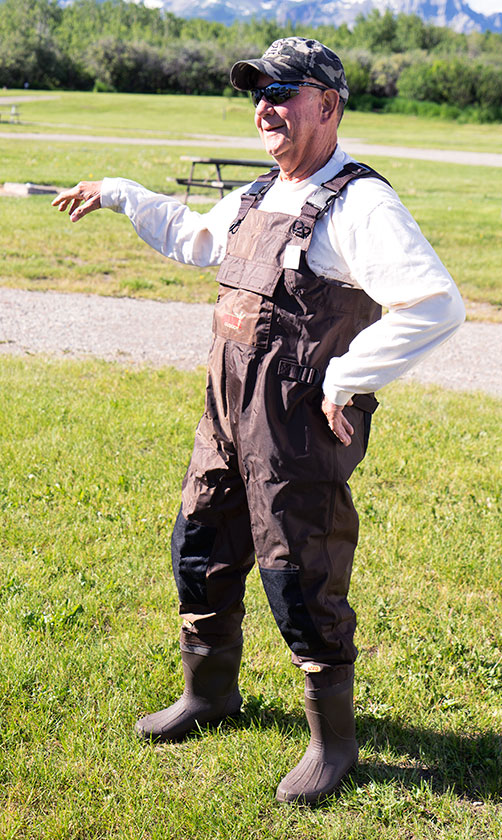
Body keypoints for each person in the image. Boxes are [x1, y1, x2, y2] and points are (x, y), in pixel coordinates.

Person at [52, 37, 465, 805]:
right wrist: (119, 191)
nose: (265, 106)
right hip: (225, 419)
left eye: (285, 91)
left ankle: (332, 746)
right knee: (199, 544)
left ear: (328, 106)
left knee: (299, 575)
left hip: (295, 433)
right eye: (257, 92)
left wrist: (348, 376)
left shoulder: (361, 204)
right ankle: (209, 693)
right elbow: (196, 240)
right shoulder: (256, 194)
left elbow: (435, 303)